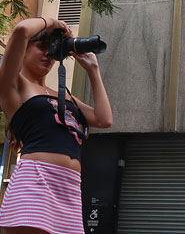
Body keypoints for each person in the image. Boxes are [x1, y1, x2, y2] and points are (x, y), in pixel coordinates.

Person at [0, 17, 113, 234]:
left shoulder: (62, 95)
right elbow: (21, 30)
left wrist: (93, 70)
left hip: (69, 187)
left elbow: (103, 119)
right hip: (36, 181)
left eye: (52, 51)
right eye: (41, 47)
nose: (48, 55)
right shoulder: (13, 85)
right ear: (23, 50)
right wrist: (52, 23)